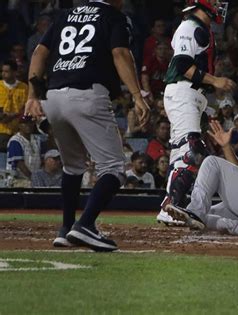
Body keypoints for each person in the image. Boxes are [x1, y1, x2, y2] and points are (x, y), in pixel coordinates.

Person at [25, 0, 150, 251]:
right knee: (114, 168)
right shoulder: (114, 16)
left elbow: (39, 52)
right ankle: (85, 225)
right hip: (87, 94)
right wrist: (137, 96)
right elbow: (120, 53)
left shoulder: (65, 14)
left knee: (72, 167)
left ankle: (65, 228)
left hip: (54, 97)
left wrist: (32, 96)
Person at [159, 0, 236, 223]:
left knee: (180, 153)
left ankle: (174, 205)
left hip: (192, 95)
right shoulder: (189, 27)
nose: (219, 4)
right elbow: (183, 65)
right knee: (192, 151)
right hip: (183, 91)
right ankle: (170, 205)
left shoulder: (202, 29)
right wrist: (216, 81)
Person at [0, 60, 29, 152]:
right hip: (1, 130)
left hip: (17, 130)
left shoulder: (24, 87)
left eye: (6, 71)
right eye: (2, 71)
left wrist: (14, 115)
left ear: (14, 72)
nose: (3, 74)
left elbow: (26, 107)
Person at [6, 115, 42, 185]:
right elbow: (20, 164)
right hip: (17, 180)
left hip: (33, 178)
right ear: (19, 126)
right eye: (24, 123)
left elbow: (43, 160)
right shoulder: (15, 141)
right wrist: (34, 179)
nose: (28, 125)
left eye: (30, 123)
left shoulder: (38, 139)